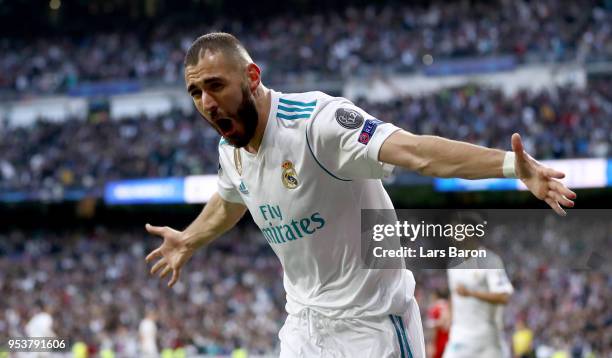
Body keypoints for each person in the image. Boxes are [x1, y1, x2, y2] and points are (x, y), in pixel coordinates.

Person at [144, 32, 576, 357]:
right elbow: (230, 198)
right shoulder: (230, 149)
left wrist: (509, 166)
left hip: (372, 328)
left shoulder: (318, 123)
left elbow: (415, 152)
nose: (206, 102)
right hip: (304, 326)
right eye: (195, 92)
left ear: (252, 77)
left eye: (216, 86)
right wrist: (189, 238)